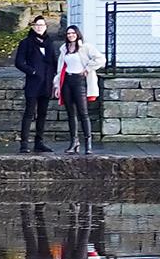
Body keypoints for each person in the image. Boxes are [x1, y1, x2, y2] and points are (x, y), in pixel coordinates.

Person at [12, 13, 59, 153]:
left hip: (47, 83)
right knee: (29, 113)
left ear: (46, 27)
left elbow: (54, 62)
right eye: (37, 25)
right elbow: (19, 62)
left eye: (42, 25)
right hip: (33, 84)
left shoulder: (49, 43)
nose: (39, 28)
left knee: (43, 114)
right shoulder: (26, 43)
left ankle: (39, 142)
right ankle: (24, 143)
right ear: (33, 27)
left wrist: (56, 77)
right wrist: (32, 72)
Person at [57, 22, 102, 154]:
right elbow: (60, 68)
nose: (71, 35)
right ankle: (74, 142)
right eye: (68, 33)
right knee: (71, 113)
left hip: (79, 81)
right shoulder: (64, 48)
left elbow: (100, 59)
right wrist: (57, 84)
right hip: (67, 81)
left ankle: (88, 143)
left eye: (73, 33)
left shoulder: (86, 47)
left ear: (77, 34)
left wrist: (88, 68)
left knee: (83, 113)